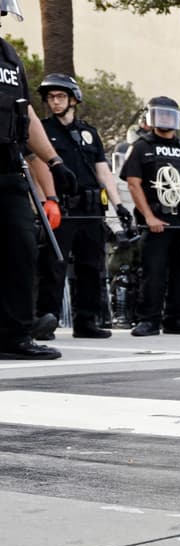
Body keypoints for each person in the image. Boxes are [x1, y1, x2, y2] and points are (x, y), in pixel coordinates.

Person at [0, 0, 81, 360]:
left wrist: (54, 160)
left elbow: (25, 111)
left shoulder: (9, 57)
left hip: (7, 170)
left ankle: (14, 336)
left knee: (20, 252)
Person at [33, 73, 132, 341]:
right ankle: (46, 320)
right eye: (50, 97)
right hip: (61, 209)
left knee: (92, 267)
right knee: (53, 266)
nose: (55, 102)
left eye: (60, 96)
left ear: (74, 99)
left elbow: (103, 170)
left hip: (91, 211)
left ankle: (87, 321)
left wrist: (119, 205)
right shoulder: (42, 130)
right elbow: (36, 166)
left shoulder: (89, 133)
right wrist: (44, 204)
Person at [120, 96, 180, 337]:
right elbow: (133, 184)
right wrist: (149, 217)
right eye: (159, 114)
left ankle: (176, 319)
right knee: (154, 272)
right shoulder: (141, 147)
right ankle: (148, 320)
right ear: (150, 117)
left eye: (168, 115)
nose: (164, 119)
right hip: (157, 224)